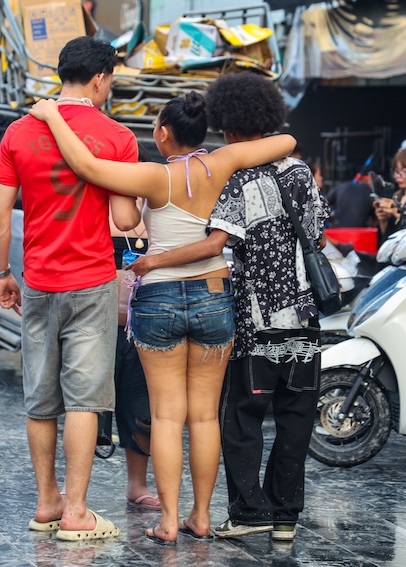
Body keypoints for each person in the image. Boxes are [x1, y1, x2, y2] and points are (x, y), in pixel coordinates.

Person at [28, 81, 296, 544]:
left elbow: (87, 166)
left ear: (165, 133)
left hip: (159, 298)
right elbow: (288, 141)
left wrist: (53, 117)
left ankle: (169, 522)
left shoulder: (154, 176)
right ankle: (203, 517)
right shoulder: (224, 162)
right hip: (215, 292)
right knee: (205, 417)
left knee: (168, 417)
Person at [126, 72, 328, 542]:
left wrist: (153, 261)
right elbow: (317, 233)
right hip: (301, 315)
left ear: (227, 123)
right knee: (296, 420)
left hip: (253, 315)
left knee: (243, 417)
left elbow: (216, 243)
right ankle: (286, 519)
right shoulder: (299, 171)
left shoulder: (234, 176)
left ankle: (245, 511)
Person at [0, 36, 142, 542]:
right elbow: (123, 217)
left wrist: (1, 274)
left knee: (41, 397)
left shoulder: (18, 132)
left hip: (38, 280)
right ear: (100, 78)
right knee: (84, 398)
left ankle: (47, 501)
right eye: (112, 79)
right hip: (92, 280)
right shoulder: (118, 136)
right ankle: (76, 511)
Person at [111, 204, 160, 511]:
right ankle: (73, 488)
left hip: (146, 324)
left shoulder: (157, 212)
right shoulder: (102, 209)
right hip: (101, 324)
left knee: (143, 410)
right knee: (88, 408)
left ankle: (137, 484)